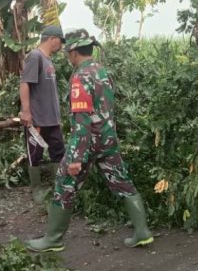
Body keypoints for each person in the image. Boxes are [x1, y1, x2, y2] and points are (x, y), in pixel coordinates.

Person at [28, 29, 153, 252]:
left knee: (64, 184)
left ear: (74, 52)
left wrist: (76, 157)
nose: (68, 56)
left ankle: (53, 239)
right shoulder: (102, 72)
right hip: (108, 139)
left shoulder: (80, 77)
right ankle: (142, 231)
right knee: (122, 182)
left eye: (69, 52)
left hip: (88, 142)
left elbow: (82, 121)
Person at [19, 25, 67, 202]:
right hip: (38, 118)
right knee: (35, 153)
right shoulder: (35, 56)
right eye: (60, 41)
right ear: (51, 38)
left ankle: (58, 187)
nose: (61, 45)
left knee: (58, 151)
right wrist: (26, 112)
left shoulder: (48, 59)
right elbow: (25, 84)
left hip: (52, 118)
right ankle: (37, 189)